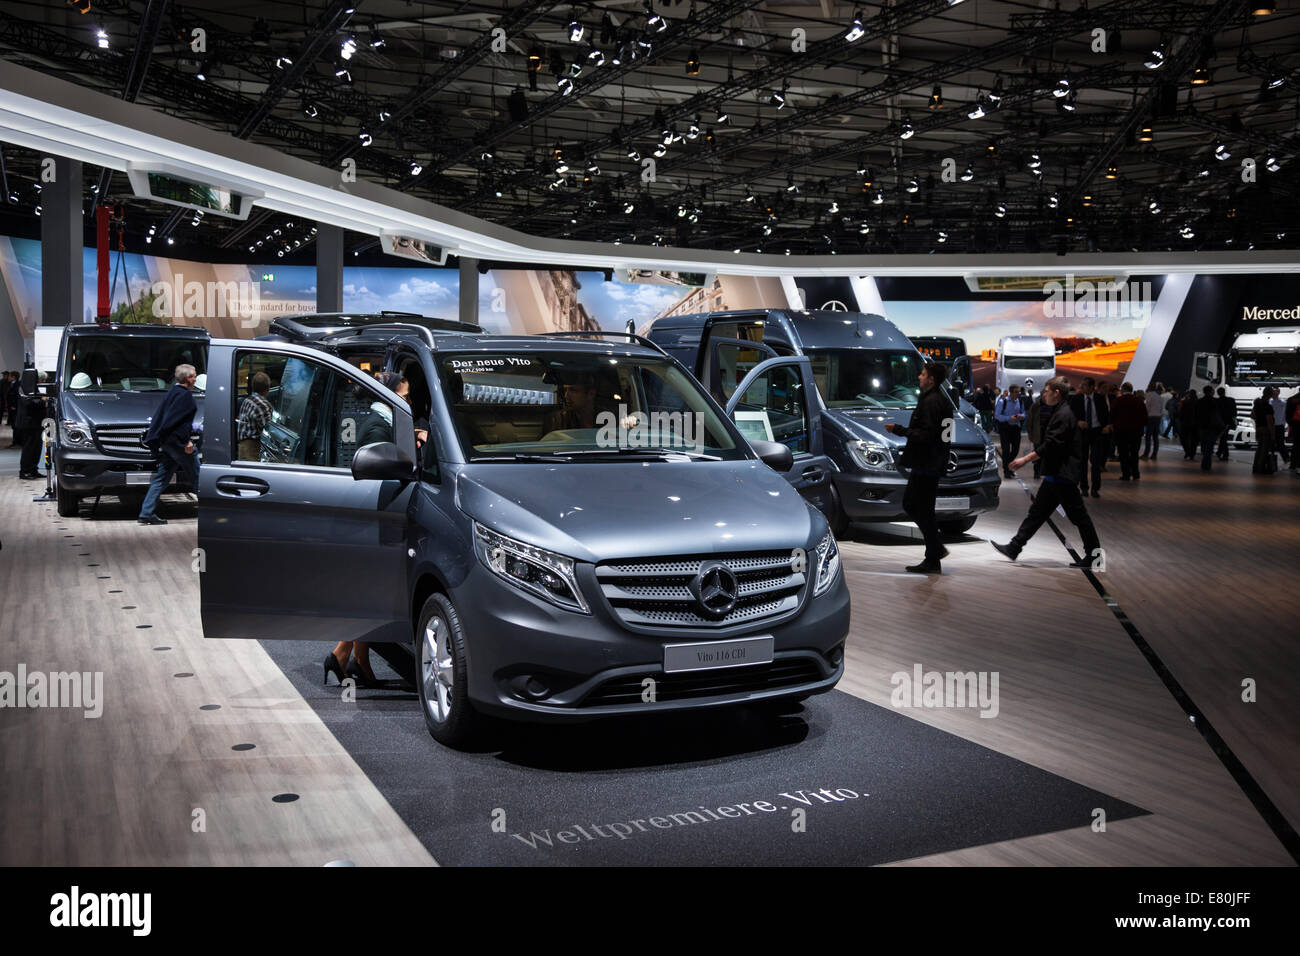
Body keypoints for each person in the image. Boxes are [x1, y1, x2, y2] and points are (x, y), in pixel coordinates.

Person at [992, 375, 1101, 567]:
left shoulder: (1063, 414)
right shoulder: (1060, 411)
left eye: (1047, 391)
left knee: (1078, 517)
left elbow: (1051, 445)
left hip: (1063, 475)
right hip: (1056, 475)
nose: (1045, 394)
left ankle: (1095, 557)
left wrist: (1025, 459)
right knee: (1037, 513)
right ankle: (1014, 547)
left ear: (1056, 393)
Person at [884, 361, 951, 574]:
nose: (919, 377)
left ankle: (936, 548)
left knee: (913, 505)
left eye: (922, 374)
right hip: (932, 462)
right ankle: (933, 558)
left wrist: (899, 430)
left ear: (931, 379)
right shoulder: (943, 401)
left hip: (926, 463)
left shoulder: (931, 402)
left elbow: (926, 435)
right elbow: (946, 436)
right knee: (924, 509)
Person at [138, 364, 200, 525]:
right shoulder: (184, 395)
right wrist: (186, 441)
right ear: (187, 378)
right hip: (179, 444)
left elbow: (165, 419)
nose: (195, 378)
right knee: (197, 476)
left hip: (167, 444)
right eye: (193, 375)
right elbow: (175, 421)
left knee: (162, 478)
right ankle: (211, 512)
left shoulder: (173, 392)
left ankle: (146, 512)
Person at [1069, 377, 1110, 498]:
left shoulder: (1099, 398)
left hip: (1097, 432)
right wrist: (1078, 422)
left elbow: (1106, 414)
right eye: (1082, 385)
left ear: (1092, 387)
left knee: (1096, 462)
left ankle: (1095, 489)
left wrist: (1107, 426)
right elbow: (1070, 416)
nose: (1082, 387)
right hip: (1082, 433)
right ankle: (1084, 487)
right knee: (1082, 461)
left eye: (1085, 385)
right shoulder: (1076, 399)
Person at [1111, 382, 1147, 480]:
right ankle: (1135, 473)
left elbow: (1112, 414)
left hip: (1121, 431)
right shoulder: (1139, 401)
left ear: (1123, 389)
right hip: (1136, 432)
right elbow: (1144, 416)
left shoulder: (1118, 400)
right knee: (1134, 453)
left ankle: (1126, 474)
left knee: (1123, 453)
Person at [235, 371, 274, 461]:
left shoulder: (247, 401)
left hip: (242, 446)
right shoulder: (263, 405)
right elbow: (268, 431)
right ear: (267, 388)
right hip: (252, 448)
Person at [16, 372, 48, 479]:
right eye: (42, 380)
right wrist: (42, 400)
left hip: (36, 423)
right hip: (29, 424)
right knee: (29, 448)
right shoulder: (24, 388)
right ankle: (24, 471)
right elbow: (28, 403)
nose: (42, 382)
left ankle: (33, 469)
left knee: (36, 448)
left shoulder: (31, 388)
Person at [994, 384, 1024, 478]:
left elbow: (1024, 413)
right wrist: (1008, 418)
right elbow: (997, 415)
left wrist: (1021, 416)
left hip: (1016, 428)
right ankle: (1007, 471)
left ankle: (1008, 466)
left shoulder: (1020, 401)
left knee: (1015, 450)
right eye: (1016, 392)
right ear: (1010, 392)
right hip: (1005, 429)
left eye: (1018, 392)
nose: (1018, 394)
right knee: (1006, 450)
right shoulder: (1003, 402)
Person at [1193, 384, 1224, 472]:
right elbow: (1218, 414)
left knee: (1204, 444)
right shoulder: (1215, 401)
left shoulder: (1199, 402)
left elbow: (1196, 414)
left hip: (1202, 426)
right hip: (1212, 427)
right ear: (1211, 392)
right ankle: (1206, 464)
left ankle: (1205, 463)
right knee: (1210, 446)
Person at [1251, 387, 1276, 474]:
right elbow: (1269, 421)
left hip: (1258, 428)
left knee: (1259, 449)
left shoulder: (1257, 403)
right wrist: (1273, 434)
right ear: (1270, 394)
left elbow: (1252, 415)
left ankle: (1255, 467)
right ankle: (1260, 468)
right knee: (1264, 450)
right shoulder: (1268, 406)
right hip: (1265, 429)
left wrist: (1258, 420)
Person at [1026, 388, 1046, 478]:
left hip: (1047, 435)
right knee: (1037, 453)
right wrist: (1030, 433)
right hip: (1037, 435)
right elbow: (1030, 420)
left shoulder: (1053, 405)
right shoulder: (1035, 406)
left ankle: (1043, 470)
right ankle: (1037, 471)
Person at [1142, 383, 1164, 460]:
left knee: (1148, 436)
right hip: (1158, 417)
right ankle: (1154, 454)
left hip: (1151, 417)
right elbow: (1161, 408)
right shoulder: (1159, 396)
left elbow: (1147, 407)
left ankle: (1146, 454)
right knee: (1155, 437)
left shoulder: (1149, 395)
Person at [1269, 386, 1289, 466]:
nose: (1275, 393)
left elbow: (1285, 414)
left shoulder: (1283, 402)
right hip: (1271, 426)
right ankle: (1271, 459)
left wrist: (1284, 424)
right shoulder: (1268, 402)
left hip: (1279, 426)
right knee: (1271, 443)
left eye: (1277, 391)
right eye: (1274, 391)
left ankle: (1286, 458)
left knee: (1280, 443)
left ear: (1279, 392)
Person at [1214, 387, 1236, 460]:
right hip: (1228, 422)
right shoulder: (1231, 400)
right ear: (1224, 392)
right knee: (1224, 438)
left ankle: (1223, 453)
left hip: (1219, 422)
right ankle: (1221, 452)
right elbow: (1234, 413)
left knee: (1223, 438)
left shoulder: (1216, 401)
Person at [1179, 389, 1199, 459]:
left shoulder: (1185, 402)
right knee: (1194, 440)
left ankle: (1187, 451)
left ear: (1189, 394)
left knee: (1184, 438)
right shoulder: (1198, 403)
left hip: (1186, 423)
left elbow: (1181, 413)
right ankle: (1192, 454)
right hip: (1196, 424)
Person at [1285, 389, 1300, 473]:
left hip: (1295, 425)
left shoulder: (1291, 399)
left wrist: (1291, 423)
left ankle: (1293, 464)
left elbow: (1287, 414)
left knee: (1296, 444)